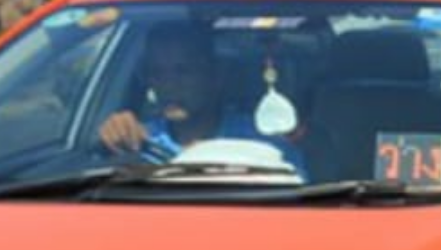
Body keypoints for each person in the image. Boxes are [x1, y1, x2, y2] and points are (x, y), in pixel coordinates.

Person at [95, 22, 305, 176]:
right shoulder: (138, 140)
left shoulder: (261, 141)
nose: (168, 85)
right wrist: (109, 141)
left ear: (215, 76)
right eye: (157, 73)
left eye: (183, 71)